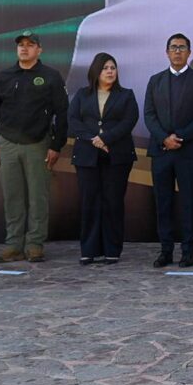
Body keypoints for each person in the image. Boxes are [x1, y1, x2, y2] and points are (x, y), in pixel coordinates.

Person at [0, 30, 69, 263]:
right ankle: (14, 244)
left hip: (38, 144)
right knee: (12, 196)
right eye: (21, 45)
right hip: (7, 145)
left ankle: (34, 244)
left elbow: (62, 114)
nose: (25, 48)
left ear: (39, 50)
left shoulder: (51, 76)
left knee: (37, 197)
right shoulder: (4, 76)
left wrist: (56, 145)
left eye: (30, 45)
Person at [144, 33, 193, 268]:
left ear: (189, 53)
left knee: (188, 202)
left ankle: (187, 251)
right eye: (173, 47)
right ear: (167, 52)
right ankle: (165, 250)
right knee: (162, 203)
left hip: (188, 152)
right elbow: (149, 115)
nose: (177, 51)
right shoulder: (155, 81)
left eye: (182, 47)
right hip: (161, 151)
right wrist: (165, 138)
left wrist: (179, 137)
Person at [68, 53, 138, 265]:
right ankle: (89, 250)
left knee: (113, 202)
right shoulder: (82, 94)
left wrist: (106, 138)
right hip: (87, 156)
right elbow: (73, 120)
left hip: (117, 157)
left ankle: (112, 250)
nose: (110, 71)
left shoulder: (126, 95)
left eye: (113, 68)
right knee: (90, 202)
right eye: (105, 67)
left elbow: (129, 121)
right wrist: (94, 139)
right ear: (96, 72)